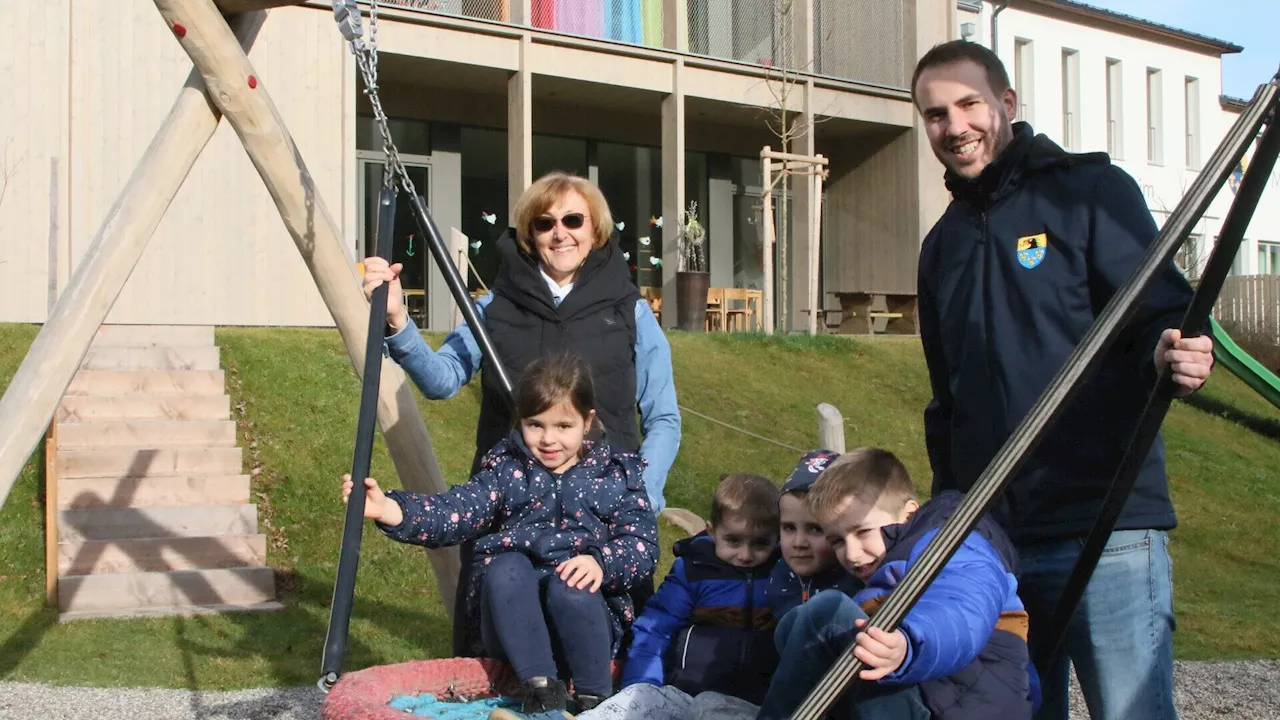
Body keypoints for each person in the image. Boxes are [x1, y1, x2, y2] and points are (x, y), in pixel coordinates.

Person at [909, 39, 1215, 720]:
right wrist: (949, 521)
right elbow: (947, 400)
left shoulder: (1090, 193)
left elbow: (1159, 313)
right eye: (935, 115)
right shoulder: (942, 247)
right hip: (996, 544)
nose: (954, 126)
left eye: (968, 104)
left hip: (1105, 524)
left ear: (1007, 104)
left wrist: (1176, 350)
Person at [362, 171, 680, 653]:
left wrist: (641, 492)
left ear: (595, 230)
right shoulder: (493, 307)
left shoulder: (630, 312)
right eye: (544, 222)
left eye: (573, 220)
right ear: (528, 235)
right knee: (509, 653)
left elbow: (664, 419)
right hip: (509, 512)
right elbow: (441, 379)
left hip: (601, 519)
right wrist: (399, 323)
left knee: (600, 656)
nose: (559, 232)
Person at [342, 352, 659, 714]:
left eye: (563, 426)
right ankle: (540, 693)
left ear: (587, 422)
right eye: (535, 425)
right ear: (520, 421)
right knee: (505, 565)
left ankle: (596, 698)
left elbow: (642, 545)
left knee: (572, 583)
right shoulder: (508, 471)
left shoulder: (615, 476)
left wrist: (602, 562)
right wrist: (391, 509)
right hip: (516, 632)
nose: (548, 440)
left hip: (585, 627)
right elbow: (456, 510)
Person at [755, 448, 1038, 720]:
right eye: (837, 541)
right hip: (936, 700)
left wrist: (909, 643)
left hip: (959, 709)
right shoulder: (878, 575)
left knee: (828, 613)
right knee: (808, 626)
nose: (851, 554)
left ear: (909, 513)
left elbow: (961, 606)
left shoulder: (951, 539)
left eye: (862, 531)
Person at [619, 473, 782, 706]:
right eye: (734, 541)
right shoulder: (693, 570)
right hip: (689, 693)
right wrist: (641, 690)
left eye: (760, 543)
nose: (745, 555)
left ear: (777, 537)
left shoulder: (782, 574)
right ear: (712, 531)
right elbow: (655, 631)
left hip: (756, 702)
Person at [765, 449, 861, 620]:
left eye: (815, 529)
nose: (799, 542)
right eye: (789, 528)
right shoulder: (770, 567)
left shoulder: (858, 580)